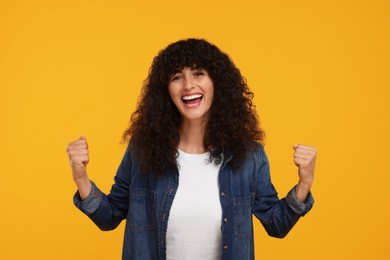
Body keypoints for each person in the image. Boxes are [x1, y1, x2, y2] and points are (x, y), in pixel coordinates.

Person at [66, 38, 316, 260]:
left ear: (216, 83)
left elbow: (276, 223)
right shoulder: (142, 150)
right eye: (177, 77)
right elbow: (109, 217)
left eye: (198, 74)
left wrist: (304, 184)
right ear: (166, 91)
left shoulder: (249, 156)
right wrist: (81, 178)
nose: (188, 86)